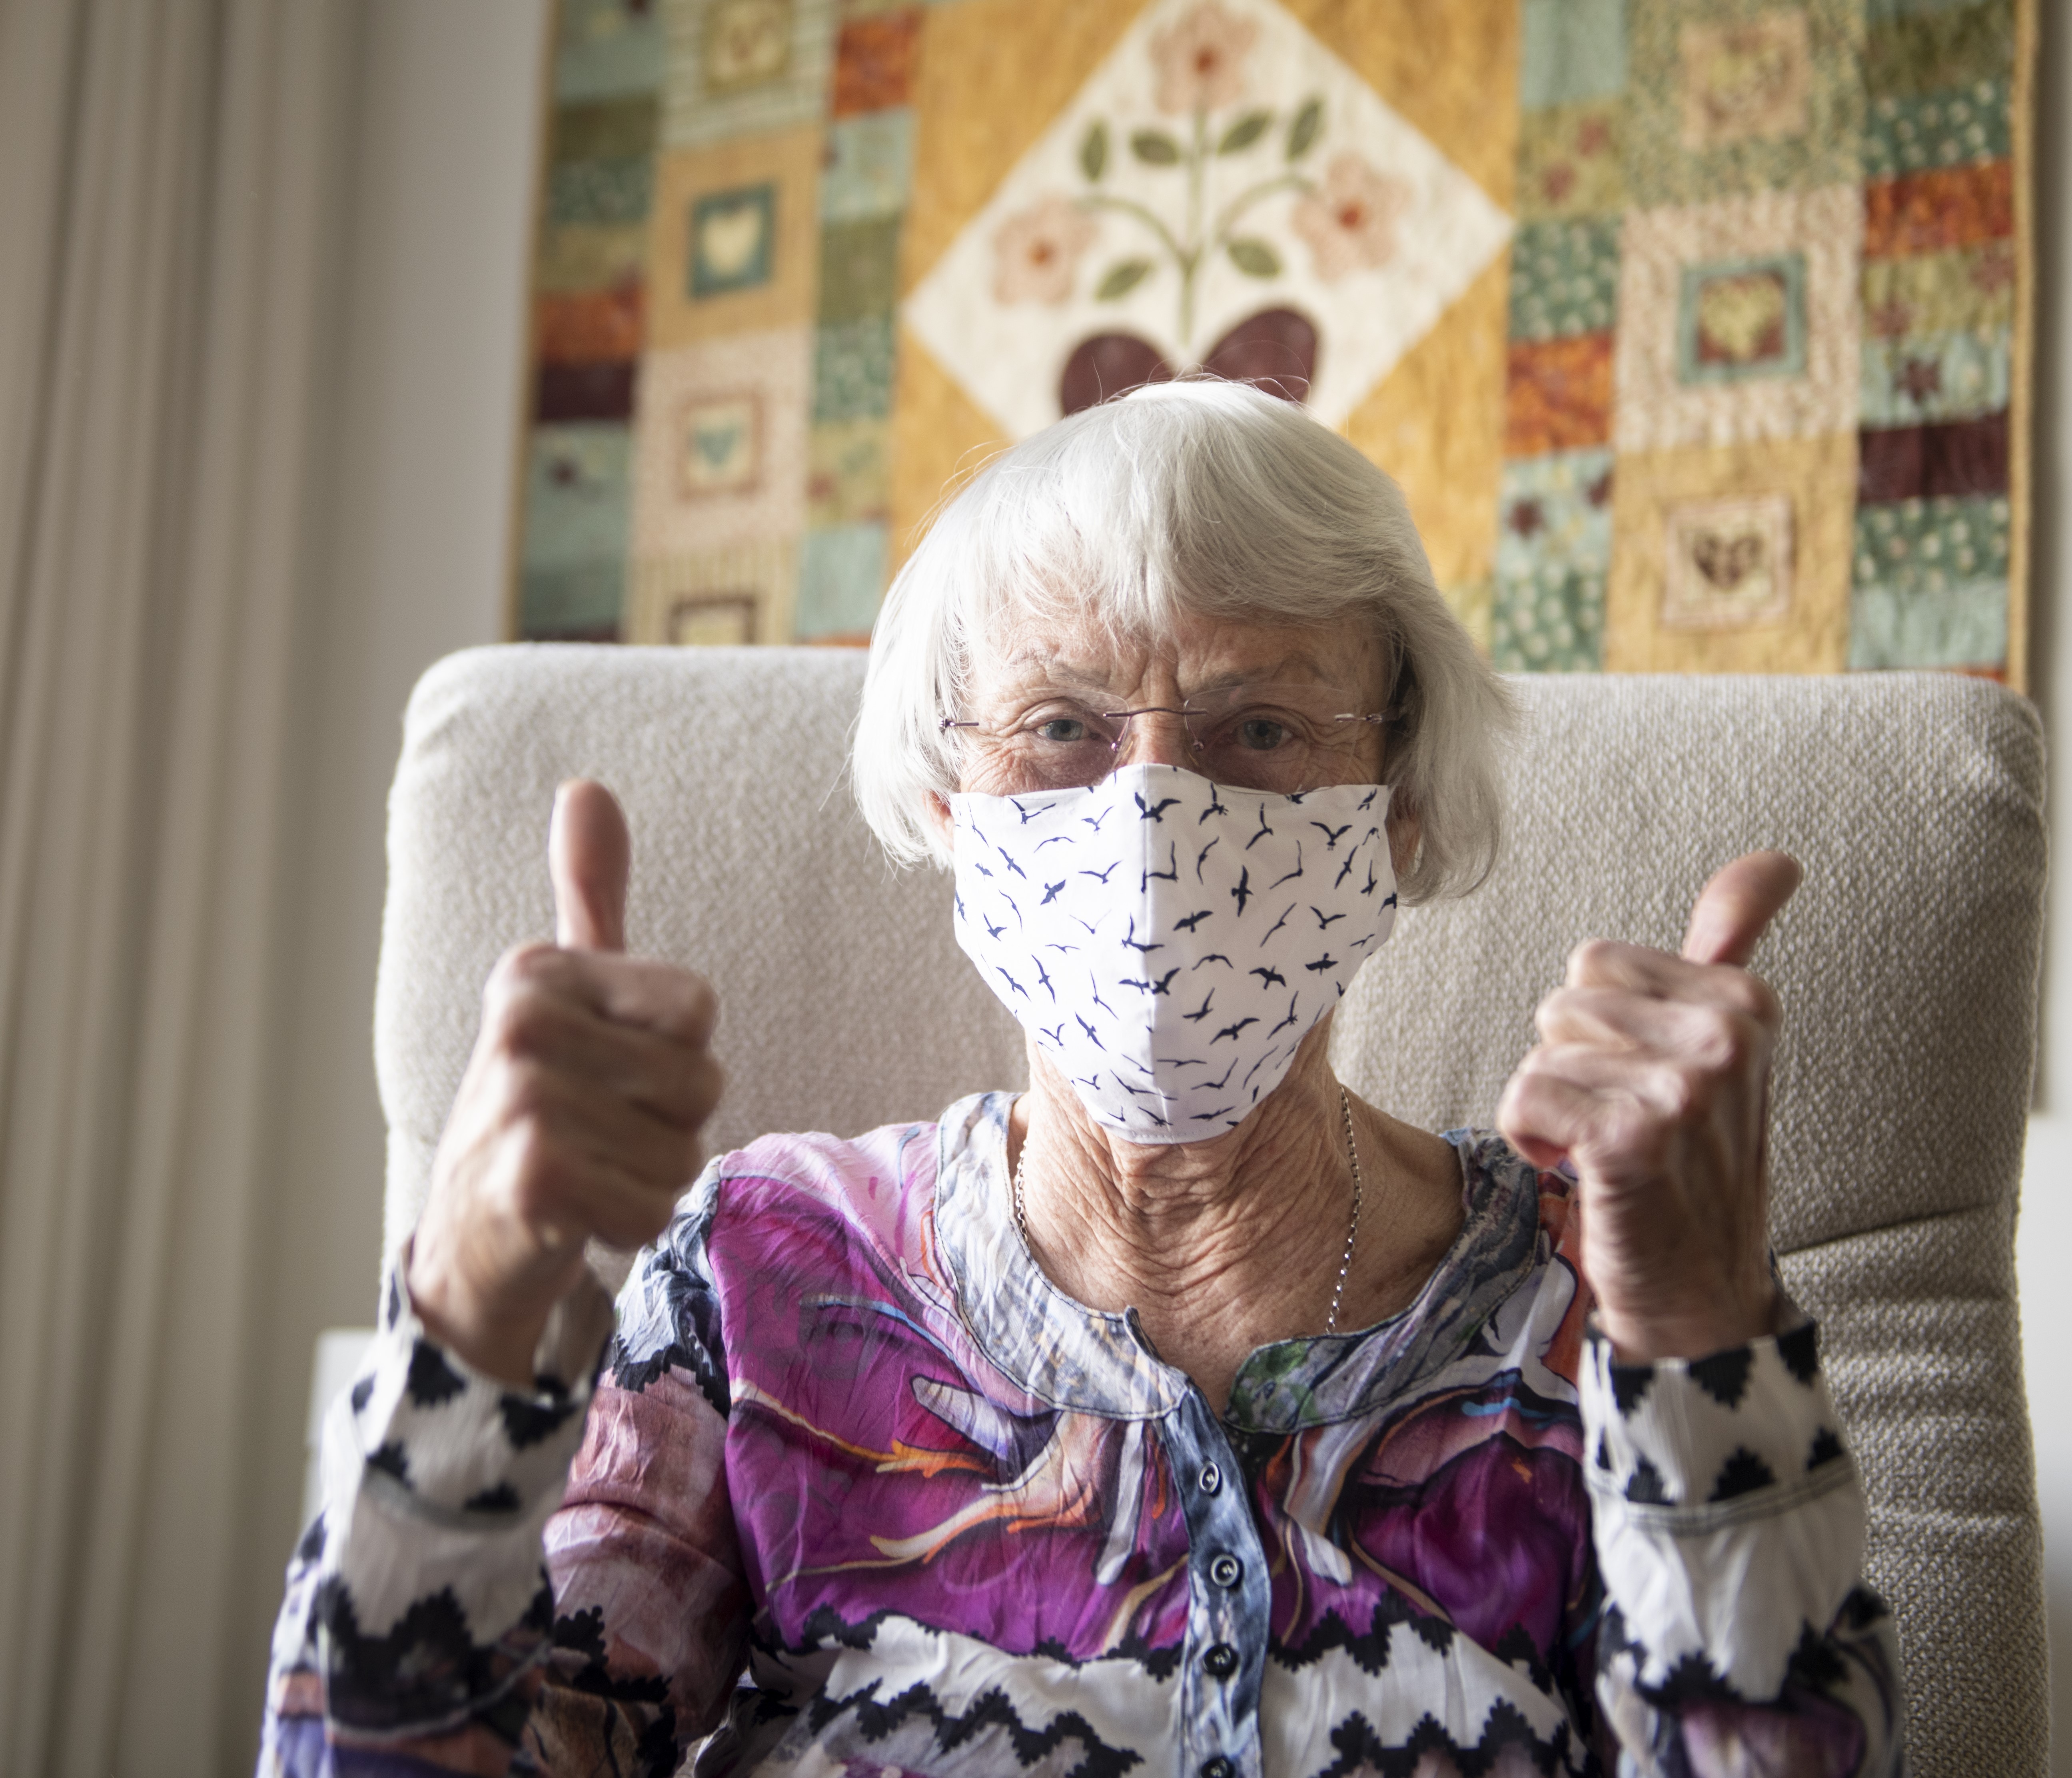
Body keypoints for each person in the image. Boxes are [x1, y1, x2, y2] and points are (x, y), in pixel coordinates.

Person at [260, 380, 1901, 1778]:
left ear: (1397, 809)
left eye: (1259, 727)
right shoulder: (766, 1275)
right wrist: (473, 1310)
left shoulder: (1587, 1294)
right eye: (1060, 726)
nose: (1150, 815)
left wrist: (1702, 1331)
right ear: (952, 799)